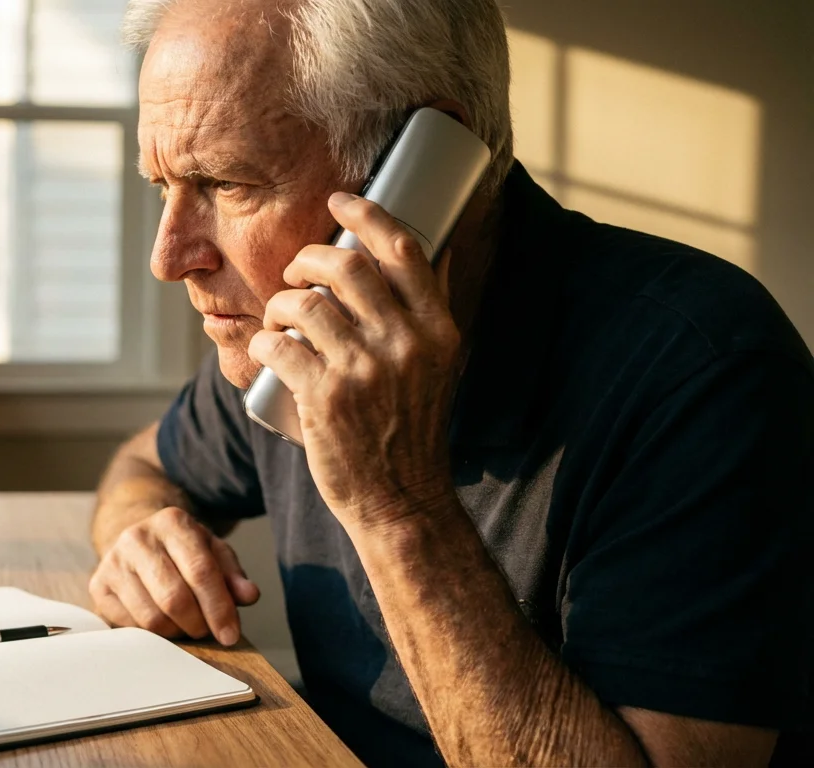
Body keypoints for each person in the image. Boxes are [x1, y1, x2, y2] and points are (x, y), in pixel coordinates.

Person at [88, 0, 814, 765]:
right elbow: (146, 466)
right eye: (161, 186)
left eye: (225, 183)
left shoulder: (704, 371)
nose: (169, 258)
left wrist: (395, 504)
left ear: (423, 166)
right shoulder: (288, 340)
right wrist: (140, 534)